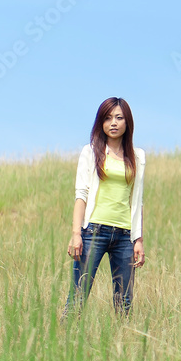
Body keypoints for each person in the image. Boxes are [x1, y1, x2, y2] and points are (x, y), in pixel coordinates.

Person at [63, 97, 146, 318]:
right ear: (101, 122)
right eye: (108, 118)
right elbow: (81, 194)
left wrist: (138, 239)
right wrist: (76, 234)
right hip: (93, 232)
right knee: (78, 296)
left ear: (127, 122)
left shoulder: (137, 156)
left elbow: (137, 200)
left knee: (124, 302)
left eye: (119, 118)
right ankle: (64, 343)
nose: (113, 123)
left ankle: (122, 347)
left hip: (124, 237)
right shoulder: (90, 152)